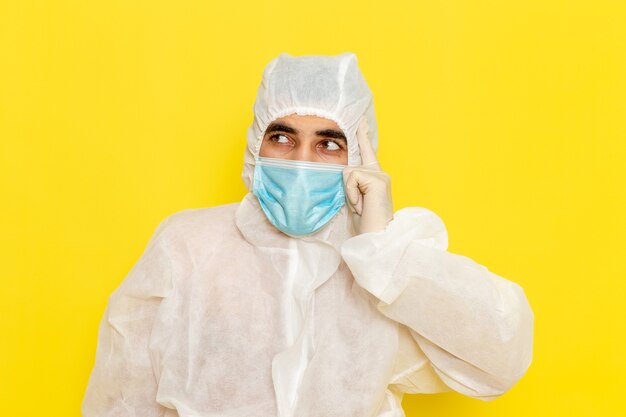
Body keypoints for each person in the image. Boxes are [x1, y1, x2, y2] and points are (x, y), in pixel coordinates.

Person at [81, 52, 534, 417]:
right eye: (282, 138)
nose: (301, 160)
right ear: (256, 143)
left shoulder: (386, 266)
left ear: (359, 156)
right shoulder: (187, 247)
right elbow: (121, 400)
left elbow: (499, 361)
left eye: (329, 143)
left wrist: (380, 248)